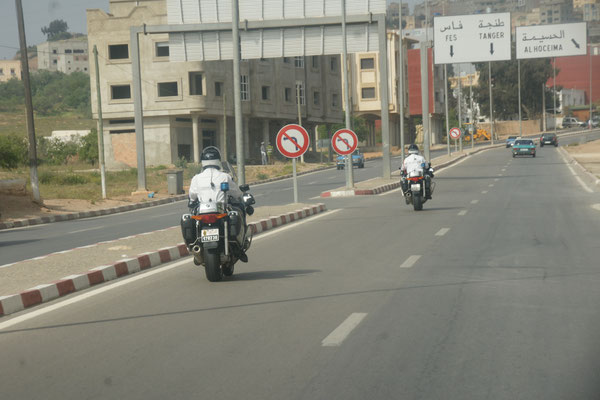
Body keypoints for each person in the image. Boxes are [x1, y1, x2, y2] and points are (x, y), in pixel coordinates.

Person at [188, 146, 249, 262]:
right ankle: (239, 246)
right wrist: (241, 196)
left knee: (192, 219)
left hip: (202, 212)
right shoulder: (224, 176)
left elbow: (192, 196)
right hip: (220, 211)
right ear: (218, 160)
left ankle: (195, 247)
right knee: (239, 210)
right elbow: (236, 193)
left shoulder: (196, 178)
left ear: (203, 161)